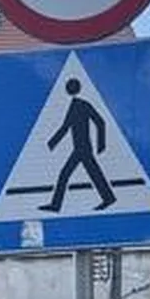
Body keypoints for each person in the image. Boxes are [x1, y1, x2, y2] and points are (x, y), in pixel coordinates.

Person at [42, 78, 115, 212]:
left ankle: (56, 205)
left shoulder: (81, 105)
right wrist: (51, 143)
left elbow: (100, 122)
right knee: (93, 173)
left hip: (83, 148)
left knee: (66, 174)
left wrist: (101, 144)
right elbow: (66, 127)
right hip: (80, 148)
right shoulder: (75, 105)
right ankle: (108, 198)